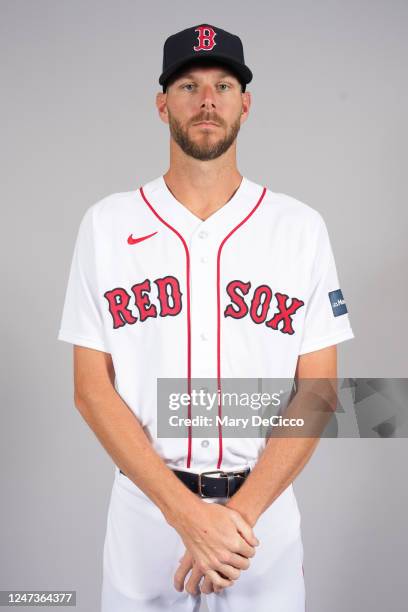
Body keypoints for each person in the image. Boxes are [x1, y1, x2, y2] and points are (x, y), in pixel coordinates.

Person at [57, 23, 355, 611]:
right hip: (147, 518)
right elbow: (92, 391)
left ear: (245, 103)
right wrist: (185, 514)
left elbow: (318, 393)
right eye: (189, 86)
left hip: (259, 522)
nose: (207, 100)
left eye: (223, 85)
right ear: (162, 103)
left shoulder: (299, 228)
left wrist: (235, 518)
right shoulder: (107, 226)